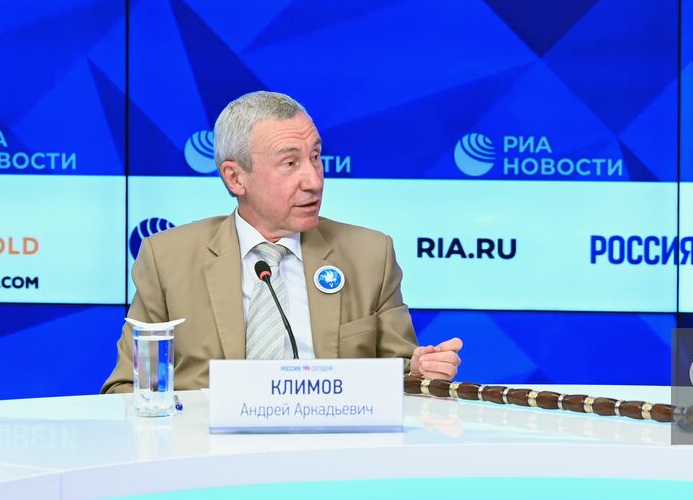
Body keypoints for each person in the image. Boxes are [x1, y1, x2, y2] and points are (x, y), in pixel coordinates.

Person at [103, 91, 462, 393]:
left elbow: (401, 375)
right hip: (208, 449)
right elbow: (127, 388)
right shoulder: (167, 260)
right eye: (290, 163)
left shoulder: (369, 255)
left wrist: (420, 371)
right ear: (235, 178)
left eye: (315, 157)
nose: (314, 181)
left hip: (335, 448)